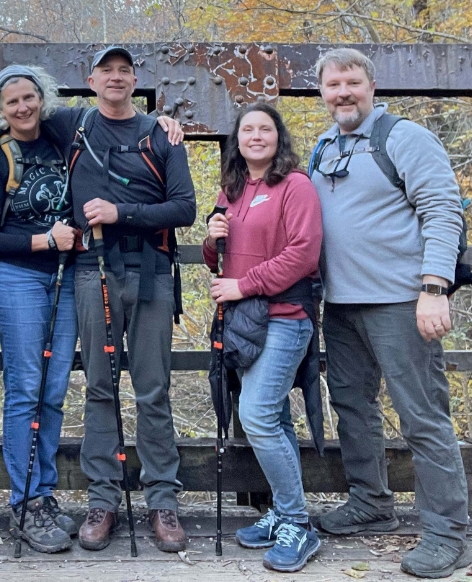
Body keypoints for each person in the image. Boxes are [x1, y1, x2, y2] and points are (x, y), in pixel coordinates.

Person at [0, 46, 196, 553]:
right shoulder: (72, 124)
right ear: (91, 79)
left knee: (153, 388)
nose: (115, 78)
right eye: (107, 71)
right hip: (90, 270)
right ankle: (104, 499)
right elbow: (16, 116)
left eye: (125, 71)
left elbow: (184, 207)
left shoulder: (161, 134)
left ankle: (163, 498)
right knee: (99, 386)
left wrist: (121, 212)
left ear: (135, 79)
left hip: (152, 271)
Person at [309, 48, 471, 579]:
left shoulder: (403, 137)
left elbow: (443, 209)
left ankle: (446, 532)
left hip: (402, 301)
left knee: (422, 417)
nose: (342, 93)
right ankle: (371, 502)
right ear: (322, 93)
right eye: (332, 85)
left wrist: (434, 287)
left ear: (372, 85)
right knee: (353, 407)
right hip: (342, 304)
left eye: (351, 82)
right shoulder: (323, 146)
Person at [203, 102, 323, 572]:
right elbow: (218, 262)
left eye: (264, 129)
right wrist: (214, 240)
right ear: (238, 139)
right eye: (247, 129)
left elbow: (303, 254)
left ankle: (298, 522)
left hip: (285, 317)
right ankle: (282, 513)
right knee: (275, 419)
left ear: (278, 137)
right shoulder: (231, 190)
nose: (255, 136)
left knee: (255, 415)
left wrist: (244, 284)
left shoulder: (296, 186)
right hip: (244, 323)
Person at [0, 65, 79, 554]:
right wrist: (44, 240)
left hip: (68, 275)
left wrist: (162, 122)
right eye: (11, 101)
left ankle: (45, 491)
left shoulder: (63, 138)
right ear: (1, 108)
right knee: (25, 385)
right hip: (17, 275)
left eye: (29, 97)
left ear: (43, 98)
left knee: (55, 386)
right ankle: (25, 500)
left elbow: (114, 116)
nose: (22, 107)